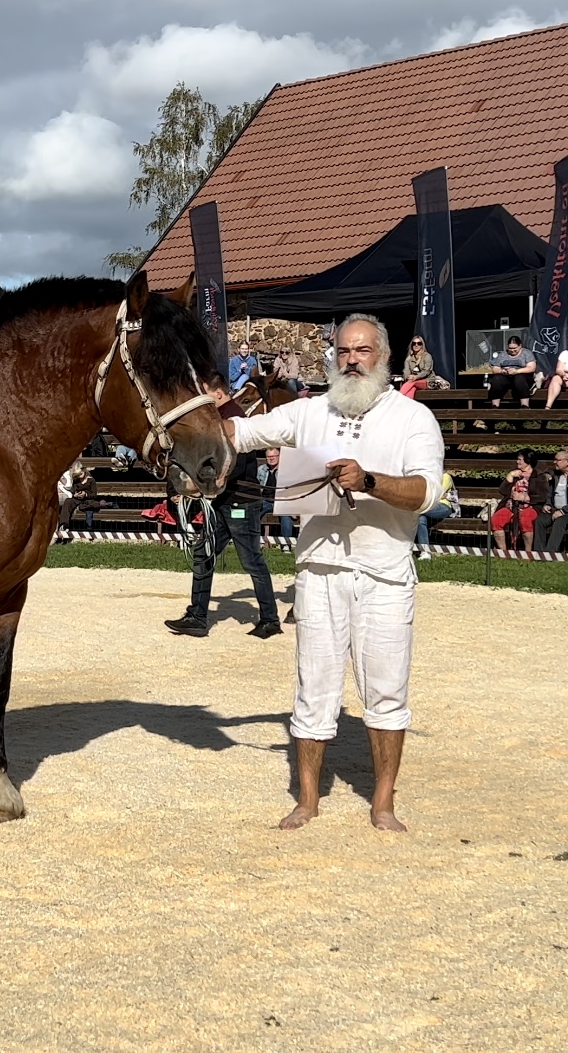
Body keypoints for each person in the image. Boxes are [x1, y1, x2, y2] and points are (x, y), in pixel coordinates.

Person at [223, 312, 445, 832]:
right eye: (344, 351)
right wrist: (197, 416)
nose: (352, 360)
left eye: (363, 351)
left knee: (386, 690)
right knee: (314, 686)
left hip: (385, 571)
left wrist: (367, 480)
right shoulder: (308, 412)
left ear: (384, 357)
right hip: (319, 569)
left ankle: (383, 803)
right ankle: (307, 800)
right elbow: (245, 432)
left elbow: (426, 493)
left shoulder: (413, 418)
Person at [166, 376, 281, 640]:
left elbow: (237, 464)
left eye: (206, 394)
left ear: (218, 393)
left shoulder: (234, 419)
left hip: (241, 503)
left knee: (251, 560)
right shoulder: (223, 418)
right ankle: (197, 616)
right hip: (224, 502)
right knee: (204, 554)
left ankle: (270, 619)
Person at [491, 450, 543, 552]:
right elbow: (503, 491)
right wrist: (510, 476)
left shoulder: (539, 476)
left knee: (525, 520)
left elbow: (542, 496)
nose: (517, 462)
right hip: (511, 506)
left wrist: (524, 498)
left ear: (527, 461)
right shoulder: (515, 473)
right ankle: (503, 552)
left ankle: (528, 553)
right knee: (496, 520)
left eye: (519, 459)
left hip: (531, 507)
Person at [413, 472, 458, 559]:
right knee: (420, 519)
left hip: (444, 506)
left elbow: (437, 494)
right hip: (428, 505)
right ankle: (425, 551)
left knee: (417, 510)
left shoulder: (445, 476)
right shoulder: (427, 477)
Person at [487, 336, 537, 407]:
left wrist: (516, 371)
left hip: (522, 375)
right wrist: (502, 371)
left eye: (514, 348)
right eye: (510, 348)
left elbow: (531, 367)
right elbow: (495, 368)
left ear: (520, 346)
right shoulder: (503, 355)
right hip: (506, 376)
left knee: (519, 379)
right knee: (496, 379)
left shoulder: (526, 353)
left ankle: (525, 405)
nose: (512, 350)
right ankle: (495, 406)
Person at [257, 446, 294, 540]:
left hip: (281, 500)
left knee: (286, 516)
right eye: (269, 457)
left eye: (274, 456)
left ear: (279, 456)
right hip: (265, 500)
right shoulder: (261, 469)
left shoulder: (286, 470)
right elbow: (256, 486)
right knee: (254, 513)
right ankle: (255, 541)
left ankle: (286, 543)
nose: (271, 458)